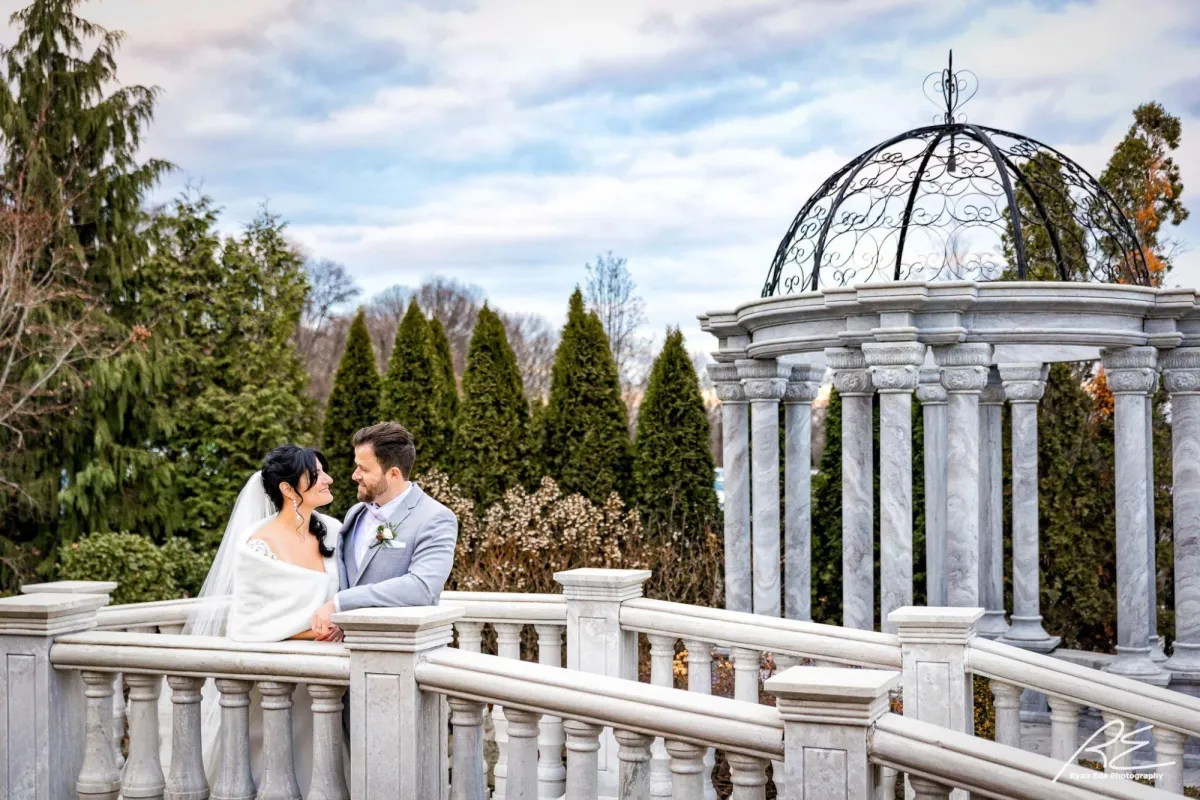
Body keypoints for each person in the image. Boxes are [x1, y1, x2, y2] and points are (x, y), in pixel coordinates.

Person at [178, 444, 345, 792]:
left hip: (329, 682)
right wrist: (313, 632)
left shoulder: (334, 531)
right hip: (279, 683)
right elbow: (249, 622)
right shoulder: (256, 545)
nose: (329, 479)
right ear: (288, 488)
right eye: (317, 474)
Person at [310, 421, 458, 639]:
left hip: (399, 646)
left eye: (364, 469)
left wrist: (340, 603)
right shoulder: (354, 513)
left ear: (394, 474)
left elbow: (422, 587)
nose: (354, 475)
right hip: (348, 645)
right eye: (357, 466)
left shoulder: (435, 517)